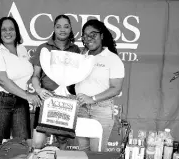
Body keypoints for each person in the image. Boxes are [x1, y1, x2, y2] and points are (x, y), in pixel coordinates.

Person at [0, 16, 41, 146]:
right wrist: (28, 95)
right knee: (1, 144)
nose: (8, 32)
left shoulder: (21, 49)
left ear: (16, 31)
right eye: (4, 29)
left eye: (11, 29)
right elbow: (2, 80)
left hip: (20, 101)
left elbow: (29, 73)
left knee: (23, 143)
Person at [30, 14, 80, 150]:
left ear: (70, 29)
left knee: (62, 142)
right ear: (54, 29)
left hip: (66, 103)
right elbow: (35, 75)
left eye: (66, 26)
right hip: (46, 100)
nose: (62, 30)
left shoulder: (76, 50)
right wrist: (39, 91)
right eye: (58, 27)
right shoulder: (44, 48)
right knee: (37, 144)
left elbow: (78, 79)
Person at [75, 19, 125, 152]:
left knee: (96, 153)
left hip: (101, 110)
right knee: (83, 152)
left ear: (101, 36)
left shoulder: (112, 59)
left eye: (93, 34)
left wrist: (92, 99)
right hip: (81, 108)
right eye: (85, 35)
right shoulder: (81, 57)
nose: (88, 38)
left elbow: (116, 88)